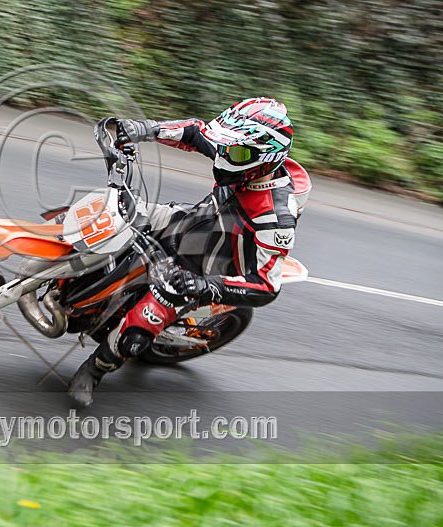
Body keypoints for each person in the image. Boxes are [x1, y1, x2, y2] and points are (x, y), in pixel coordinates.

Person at [68, 97, 312, 407]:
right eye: (224, 147)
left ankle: (95, 369)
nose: (222, 158)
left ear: (266, 157)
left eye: (232, 152)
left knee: (138, 330)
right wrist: (142, 129)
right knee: (107, 215)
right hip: (188, 221)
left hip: (205, 268)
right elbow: (197, 134)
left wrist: (203, 287)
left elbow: (267, 287)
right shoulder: (242, 152)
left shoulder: (276, 219)